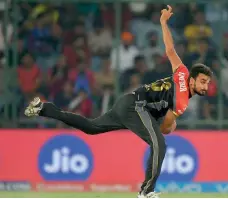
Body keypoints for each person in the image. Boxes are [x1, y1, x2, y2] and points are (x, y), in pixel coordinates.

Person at [24, 5, 213, 198]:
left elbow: (170, 49)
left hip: (129, 102)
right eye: (203, 82)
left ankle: (44, 108)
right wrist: (170, 125)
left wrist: (163, 23)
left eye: (207, 83)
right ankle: (146, 191)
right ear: (192, 80)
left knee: (91, 127)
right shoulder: (182, 102)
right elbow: (165, 127)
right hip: (136, 107)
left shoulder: (182, 72)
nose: (206, 87)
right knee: (160, 143)